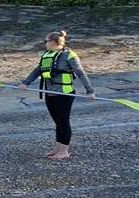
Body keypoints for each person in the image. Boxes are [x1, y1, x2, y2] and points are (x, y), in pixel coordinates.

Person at [22, 31, 95, 160]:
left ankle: (64, 151)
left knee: (63, 122)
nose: (44, 43)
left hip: (64, 93)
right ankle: (58, 148)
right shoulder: (47, 54)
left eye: (46, 41)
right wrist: (26, 83)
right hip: (50, 93)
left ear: (54, 42)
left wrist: (90, 91)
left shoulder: (69, 55)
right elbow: (38, 70)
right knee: (57, 122)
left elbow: (81, 73)